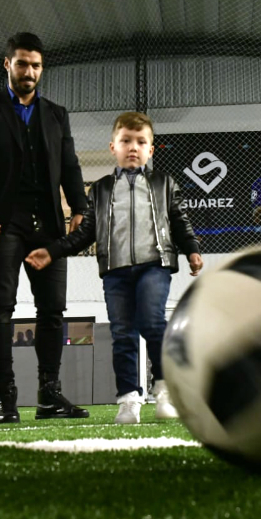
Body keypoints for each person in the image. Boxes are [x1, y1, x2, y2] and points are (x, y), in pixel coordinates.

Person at [26, 111, 204, 424]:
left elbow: (178, 220)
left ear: (151, 149)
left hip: (154, 266)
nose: (133, 147)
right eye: (125, 141)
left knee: (152, 323)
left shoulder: (164, 183)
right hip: (116, 273)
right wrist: (52, 252)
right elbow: (84, 234)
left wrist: (191, 250)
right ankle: (128, 400)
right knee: (123, 334)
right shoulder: (101, 189)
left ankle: (164, 392)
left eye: (140, 142)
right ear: (113, 147)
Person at [0, 32, 90, 424]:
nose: (29, 71)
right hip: (2, 223)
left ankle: (49, 395)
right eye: (22, 64)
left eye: (35, 65)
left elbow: (69, 165)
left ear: (41, 68)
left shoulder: (56, 114)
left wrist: (79, 207)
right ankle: (5, 396)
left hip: (48, 224)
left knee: (52, 310)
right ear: (7, 65)